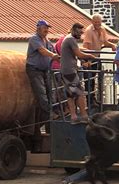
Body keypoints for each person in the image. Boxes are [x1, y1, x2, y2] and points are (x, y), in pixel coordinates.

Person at [25, 20, 60, 150]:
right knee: (41, 93)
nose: (46, 30)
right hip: (34, 70)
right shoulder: (34, 39)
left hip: (45, 70)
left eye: (47, 28)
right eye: (45, 28)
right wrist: (54, 56)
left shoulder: (47, 41)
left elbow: (53, 50)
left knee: (52, 93)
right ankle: (49, 115)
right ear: (38, 28)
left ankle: (47, 119)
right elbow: (43, 51)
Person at [60, 23, 96, 124]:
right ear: (74, 30)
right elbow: (78, 53)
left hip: (65, 70)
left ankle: (74, 116)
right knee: (79, 93)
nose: (81, 34)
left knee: (70, 94)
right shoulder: (71, 39)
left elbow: (77, 51)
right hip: (70, 70)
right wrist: (90, 56)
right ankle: (84, 116)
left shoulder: (68, 39)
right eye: (80, 32)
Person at [82, 14, 117, 107]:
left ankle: (94, 99)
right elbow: (87, 46)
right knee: (89, 80)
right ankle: (89, 101)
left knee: (95, 78)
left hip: (97, 56)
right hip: (89, 56)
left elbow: (105, 42)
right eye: (95, 22)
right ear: (92, 22)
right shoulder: (89, 31)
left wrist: (113, 45)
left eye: (99, 22)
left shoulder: (102, 29)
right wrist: (89, 60)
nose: (97, 23)